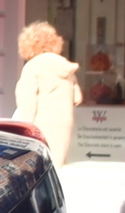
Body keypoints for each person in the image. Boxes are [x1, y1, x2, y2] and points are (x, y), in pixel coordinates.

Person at [12, 21, 82, 165]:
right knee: (56, 166)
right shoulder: (65, 66)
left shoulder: (33, 67)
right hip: (64, 121)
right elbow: (77, 98)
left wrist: (22, 130)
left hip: (41, 123)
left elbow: (27, 103)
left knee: (38, 167)